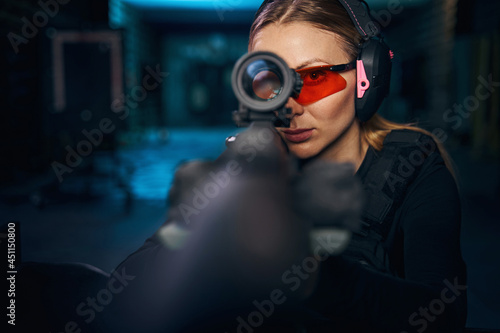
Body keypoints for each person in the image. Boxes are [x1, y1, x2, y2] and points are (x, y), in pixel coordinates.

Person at [100, 1, 467, 332]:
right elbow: (123, 298)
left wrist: (315, 279)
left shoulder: (411, 166)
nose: (289, 107)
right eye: (271, 82)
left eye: (314, 78)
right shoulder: (251, 166)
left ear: (367, 78)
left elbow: (443, 314)